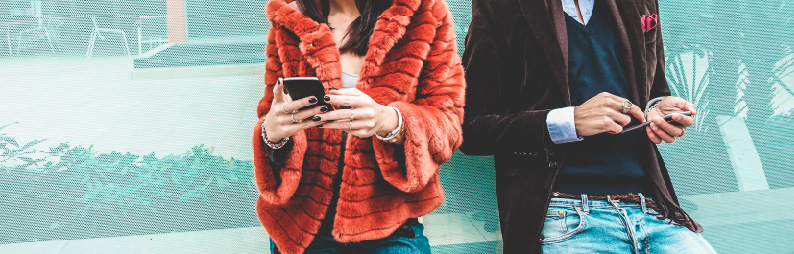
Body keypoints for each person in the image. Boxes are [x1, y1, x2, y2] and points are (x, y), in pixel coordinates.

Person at [461, 0, 716, 253]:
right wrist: (569, 122)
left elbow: (654, 91)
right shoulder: (500, 5)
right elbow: (471, 129)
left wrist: (657, 111)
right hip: (564, 215)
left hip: (653, 209)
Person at [253, 0, 465, 253]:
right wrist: (273, 133)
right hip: (298, 229)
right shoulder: (290, 17)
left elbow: (448, 124)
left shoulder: (424, 13)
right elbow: (271, 113)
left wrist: (388, 121)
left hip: (389, 226)